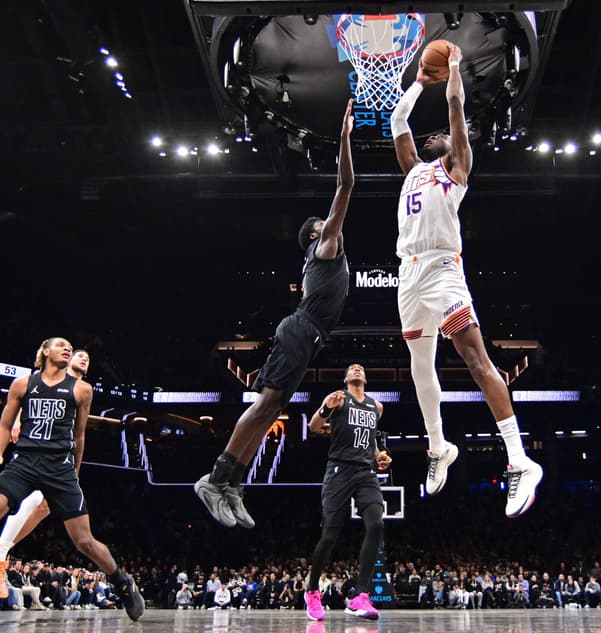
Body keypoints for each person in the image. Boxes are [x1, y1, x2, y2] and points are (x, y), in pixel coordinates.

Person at [389, 42, 542, 517]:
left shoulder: (456, 171)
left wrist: (453, 70)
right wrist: (418, 81)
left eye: (445, 136)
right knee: (419, 366)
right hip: (408, 274)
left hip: (441, 268)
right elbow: (398, 121)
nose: (436, 136)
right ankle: (439, 448)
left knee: (475, 358)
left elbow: (456, 109)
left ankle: (519, 459)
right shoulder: (414, 170)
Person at [194, 101, 356, 529]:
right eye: (324, 222)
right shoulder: (324, 248)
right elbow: (346, 187)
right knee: (265, 403)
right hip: (300, 330)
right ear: (316, 234)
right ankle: (214, 479)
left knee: (272, 412)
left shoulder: (322, 257)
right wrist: (343, 139)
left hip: (308, 335)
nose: (331, 223)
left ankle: (232, 484)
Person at [0, 338, 143, 625]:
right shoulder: (23, 384)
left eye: (71, 348)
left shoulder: (82, 390)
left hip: (59, 467)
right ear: (45, 351)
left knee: (84, 541)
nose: (68, 349)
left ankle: (123, 583)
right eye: (61, 345)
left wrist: (73, 472)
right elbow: (3, 425)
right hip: (24, 460)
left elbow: (79, 436)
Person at [0, 349, 91, 599]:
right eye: (80, 355)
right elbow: (31, 401)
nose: (83, 359)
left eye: (87, 359)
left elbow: (79, 432)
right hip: (37, 454)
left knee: (44, 506)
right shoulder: (48, 378)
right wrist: (17, 422)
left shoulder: (81, 389)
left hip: (60, 459)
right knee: (35, 499)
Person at [304, 364, 391, 621]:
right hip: (339, 471)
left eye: (360, 368)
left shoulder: (376, 407)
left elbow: (371, 441)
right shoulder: (338, 399)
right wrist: (325, 408)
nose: (356, 369)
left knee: (376, 524)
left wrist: (380, 457)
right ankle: (311, 592)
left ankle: (360, 596)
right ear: (346, 378)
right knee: (329, 535)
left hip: (366, 472)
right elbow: (313, 426)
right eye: (352, 369)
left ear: (365, 377)